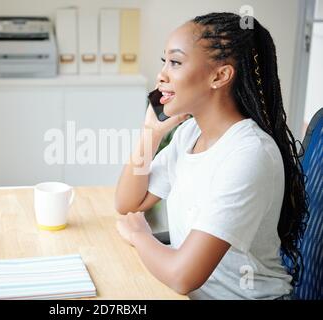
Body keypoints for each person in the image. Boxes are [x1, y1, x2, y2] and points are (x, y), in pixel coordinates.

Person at [114, 12, 308, 300]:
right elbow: (129, 203)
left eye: (175, 62)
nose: (161, 75)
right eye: (164, 61)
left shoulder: (249, 154)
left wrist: (140, 236)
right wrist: (150, 133)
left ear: (220, 76)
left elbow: (183, 277)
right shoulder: (190, 133)